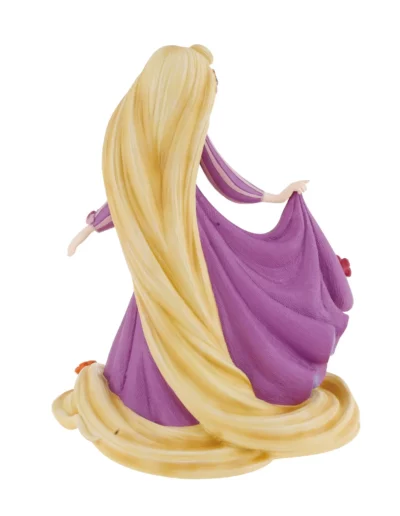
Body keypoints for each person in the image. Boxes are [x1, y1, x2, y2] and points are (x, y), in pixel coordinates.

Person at [53, 44, 359, 478]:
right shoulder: (145, 143)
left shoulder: (180, 135)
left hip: (193, 243)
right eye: (206, 90)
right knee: (172, 314)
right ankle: (170, 397)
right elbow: (128, 195)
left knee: (217, 313)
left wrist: (274, 196)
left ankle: (206, 385)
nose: (210, 98)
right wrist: (92, 226)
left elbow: (220, 175)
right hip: (174, 251)